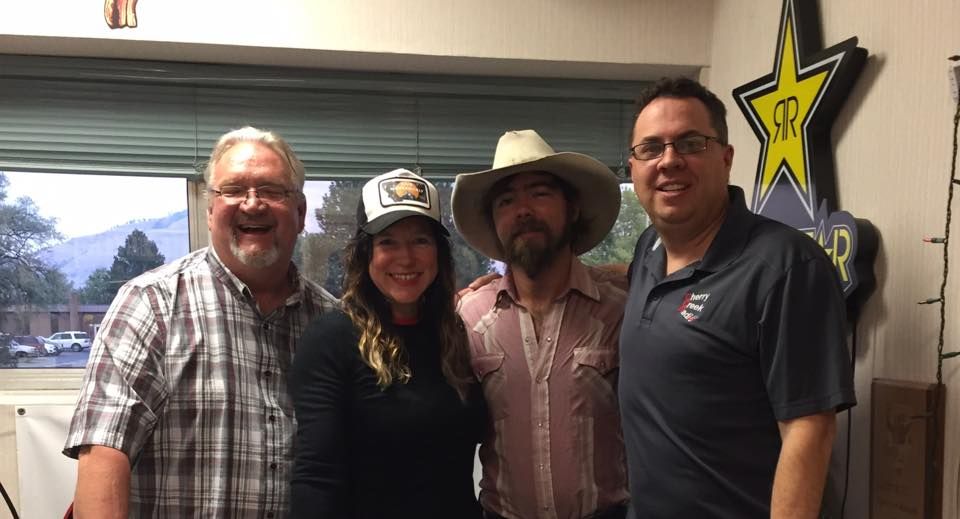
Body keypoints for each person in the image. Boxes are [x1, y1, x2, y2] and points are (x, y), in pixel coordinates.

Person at [63, 126, 338, 518]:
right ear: (210, 210)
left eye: (272, 190)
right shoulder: (151, 304)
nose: (252, 204)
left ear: (300, 212)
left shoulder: (333, 321)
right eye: (233, 190)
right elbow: (104, 450)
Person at [619, 77, 855, 518]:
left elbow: (809, 430)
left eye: (690, 143)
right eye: (651, 148)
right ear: (633, 168)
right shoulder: (649, 248)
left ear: (725, 158)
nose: (669, 160)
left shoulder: (786, 267)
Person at [288, 168, 486, 519]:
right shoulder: (331, 340)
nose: (406, 258)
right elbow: (316, 477)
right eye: (388, 242)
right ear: (365, 254)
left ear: (439, 253)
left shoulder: (455, 334)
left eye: (420, 240)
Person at [453, 130, 630, 519]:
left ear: (573, 208)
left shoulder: (622, 306)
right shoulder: (468, 317)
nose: (523, 210)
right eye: (506, 201)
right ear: (494, 221)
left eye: (540, 193)